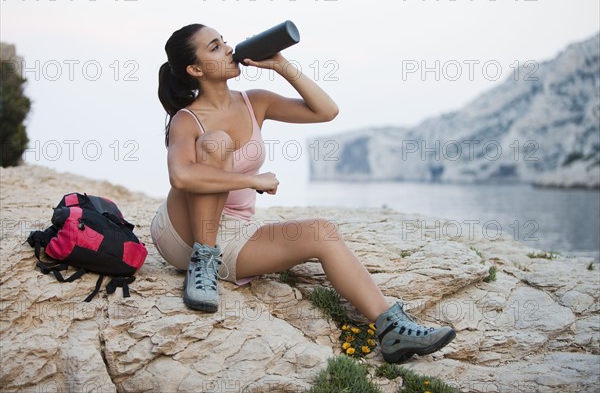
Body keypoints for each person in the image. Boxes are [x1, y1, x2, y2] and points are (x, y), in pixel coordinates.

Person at [151, 23, 456, 363]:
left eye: (224, 41)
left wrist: (282, 66)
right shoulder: (187, 118)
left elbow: (325, 111)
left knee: (322, 232)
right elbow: (181, 176)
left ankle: (392, 328)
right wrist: (251, 181)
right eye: (214, 47)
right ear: (195, 69)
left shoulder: (255, 102)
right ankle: (203, 261)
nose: (227, 48)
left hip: (236, 235)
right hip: (184, 233)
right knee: (217, 142)